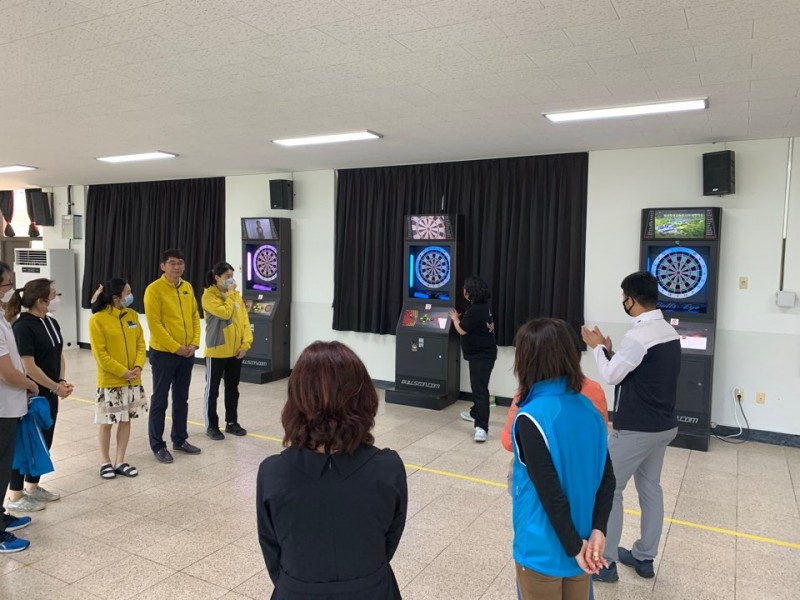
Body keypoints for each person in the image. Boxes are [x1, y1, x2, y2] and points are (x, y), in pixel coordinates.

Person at [256, 341, 407, 600]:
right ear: (364, 398)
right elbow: (388, 542)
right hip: (372, 590)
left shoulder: (273, 473)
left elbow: (273, 551)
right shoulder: (388, 468)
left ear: (296, 401)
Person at [581, 271, 681, 583]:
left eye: (624, 297)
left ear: (632, 300)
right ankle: (644, 557)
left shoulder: (638, 336)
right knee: (650, 489)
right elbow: (639, 372)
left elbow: (611, 375)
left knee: (608, 488)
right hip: (663, 426)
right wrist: (611, 352)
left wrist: (597, 348)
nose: (623, 302)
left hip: (637, 429)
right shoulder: (667, 330)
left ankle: (605, 563)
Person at [511, 318, 615, 600]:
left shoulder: (531, 417)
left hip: (543, 548)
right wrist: (598, 531)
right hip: (584, 543)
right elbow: (607, 479)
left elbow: (549, 494)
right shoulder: (590, 410)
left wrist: (573, 547)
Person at [4, 278, 73, 512]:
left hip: (51, 392)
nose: (56, 299)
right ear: (41, 301)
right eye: (54, 295)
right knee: (25, 443)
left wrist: (60, 381)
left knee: (45, 439)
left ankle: (33, 487)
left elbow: (59, 353)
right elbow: (29, 367)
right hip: (31, 395)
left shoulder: (51, 322)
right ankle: (15, 495)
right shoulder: (23, 326)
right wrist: (54, 386)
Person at [144, 249, 202, 463]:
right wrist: (175, 347)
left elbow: (195, 316)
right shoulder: (154, 290)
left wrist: (194, 343)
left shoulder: (187, 287)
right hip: (164, 353)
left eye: (180, 262)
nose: (177, 267)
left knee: (181, 398)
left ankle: (180, 439)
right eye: (171, 263)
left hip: (187, 353)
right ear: (163, 266)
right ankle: (158, 445)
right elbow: (155, 324)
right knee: (160, 400)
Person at [89, 279, 148, 479]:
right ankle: (105, 462)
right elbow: (101, 355)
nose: (130, 296)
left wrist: (138, 366)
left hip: (132, 379)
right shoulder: (98, 320)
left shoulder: (132, 315)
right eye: (127, 292)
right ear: (116, 297)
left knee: (126, 420)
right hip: (111, 381)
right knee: (107, 422)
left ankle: (120, 461)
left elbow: (141, 344)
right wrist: (123, 371)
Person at [0, 262, 40, 551]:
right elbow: (7, 372)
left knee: (3, 466)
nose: (11, 289)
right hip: (2, 408)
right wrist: (30, 384)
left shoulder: (2, 318)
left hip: (10, 406)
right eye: (6, 284)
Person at [202, 262, 252, 440]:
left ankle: (231, 422)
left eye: (232, 276)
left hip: (235, 352)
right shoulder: (209, 296)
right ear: (217, 278)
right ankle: (211, 425)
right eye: (226, 277)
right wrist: (230, 294)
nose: (230, 280)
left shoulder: (236, 296)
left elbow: (244, 321)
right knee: (212, 390)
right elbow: (225, 313)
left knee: (232, 388)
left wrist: (245, 345)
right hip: (216, 351)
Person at [449, 275, 497, 443]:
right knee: (479, 387)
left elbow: (462, 330)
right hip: (483, 354)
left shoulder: (476, 310)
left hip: (481, 356)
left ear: (470, 292)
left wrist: (455, 318)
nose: (463, 291)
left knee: (480, 390)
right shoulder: (482, 307)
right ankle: (475, 413)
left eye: (465, 288)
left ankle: (482, 428)